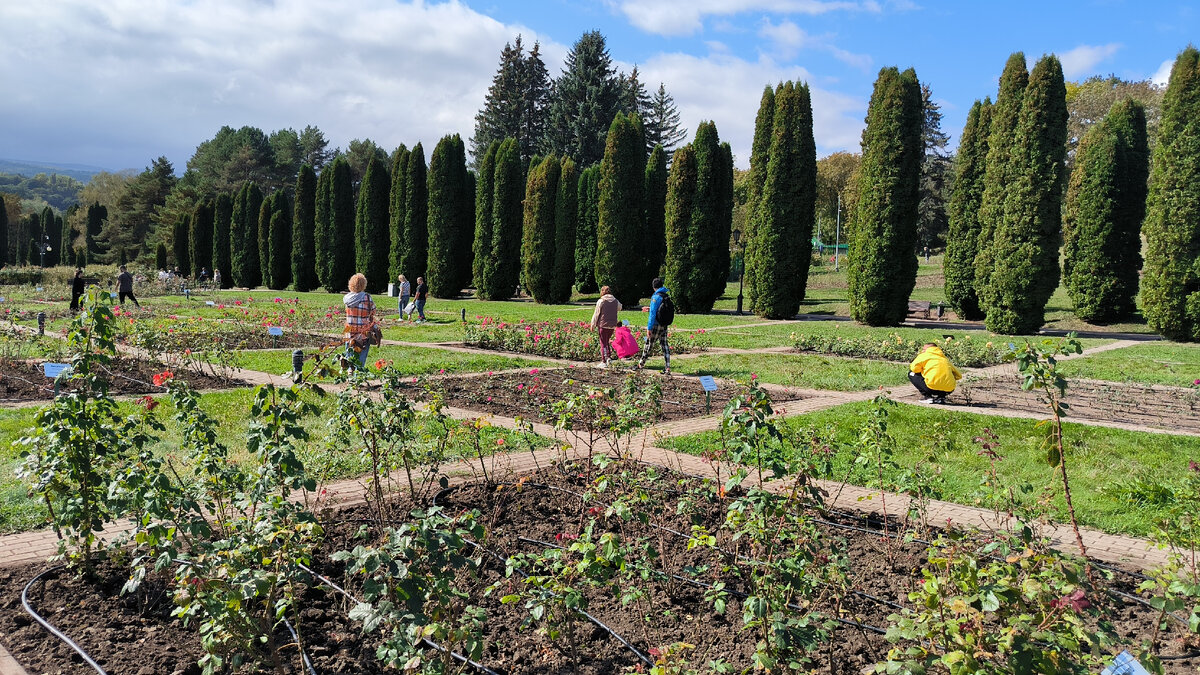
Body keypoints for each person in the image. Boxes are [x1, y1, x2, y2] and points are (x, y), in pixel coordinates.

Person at [637, 278, 672, 375]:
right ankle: (668, 367)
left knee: (649, 345)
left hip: (656, 325)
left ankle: (641, 364)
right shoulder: (665, 296)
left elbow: (652, 314)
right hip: (664, 324)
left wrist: (649, 328)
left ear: (653, 287)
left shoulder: (655, 297)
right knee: (665, 346)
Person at [343, 273, 377, 367]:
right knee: (362, 353)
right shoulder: (367, 297)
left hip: (349, 330)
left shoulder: (347, 298)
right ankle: (359, 373)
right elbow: (373, 311)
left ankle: (349, 370)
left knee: (349, 351)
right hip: (363, 331)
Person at [589, 286, 622, 367]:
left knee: (603, 343)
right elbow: (620, 307)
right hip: (612, 325)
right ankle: (608, 358)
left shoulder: (601, 301)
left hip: (603, 324)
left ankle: (604, 361)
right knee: (606, 341)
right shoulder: (615, 301)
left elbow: (596, 314)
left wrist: (592, 324)